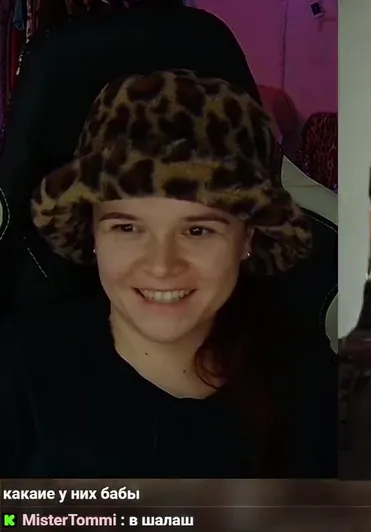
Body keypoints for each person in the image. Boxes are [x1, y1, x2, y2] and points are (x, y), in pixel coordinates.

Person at [0, 69, 336, 477]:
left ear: (248, 237)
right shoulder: (18, 369)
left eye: (198, 231)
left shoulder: (310, 381)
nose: (161, 265)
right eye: (127, 228)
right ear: (92, 233)